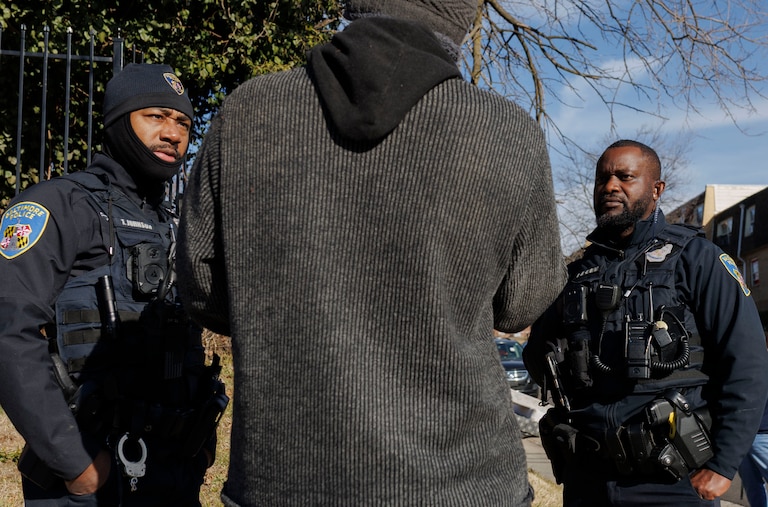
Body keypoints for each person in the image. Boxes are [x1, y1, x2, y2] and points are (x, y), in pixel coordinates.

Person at [176, 0, 565, 505]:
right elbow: (523, 304)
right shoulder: (508, 134)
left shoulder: (250, 112)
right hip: (462, 482)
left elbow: (202, 291)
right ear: (462, 17)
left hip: (286, 478)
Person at [0, 63, 226, 506]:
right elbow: (9, 331)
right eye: (155, 116)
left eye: (182, 121)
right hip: (90, 479)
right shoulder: (57, 206)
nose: (173, 133)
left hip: (174, 472)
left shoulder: (177, 224)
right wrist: (75, 463)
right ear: (120, 121)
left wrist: (199, 447)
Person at [523, 139, 768, 506]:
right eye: (602, 178)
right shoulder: (575, 273)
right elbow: (538, 359)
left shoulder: (698, 260)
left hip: (671, 479)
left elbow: (747, 363)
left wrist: (724, 464)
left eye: (625, 177)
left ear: (656, 190)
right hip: (590, 477)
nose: (610, 187)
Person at [739, 334, 768, 507]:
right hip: (744, 437)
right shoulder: (750, 362)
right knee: (753, 487)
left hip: (761, 435)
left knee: (753, 487)